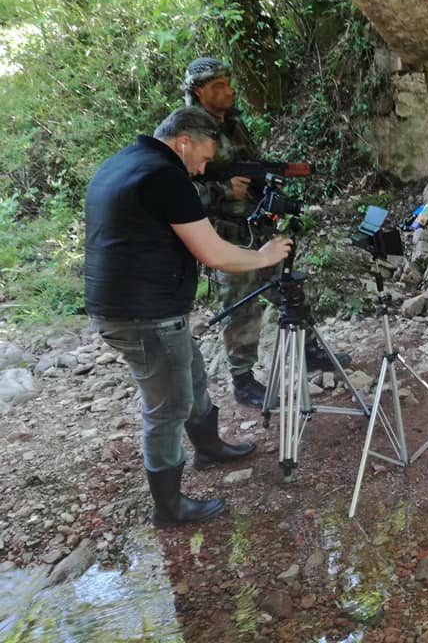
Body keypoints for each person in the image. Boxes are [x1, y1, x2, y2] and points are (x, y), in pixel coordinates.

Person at [84, 106, 293, 527]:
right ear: (183, 142)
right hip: (143, 314)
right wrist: (263, 255)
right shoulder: (166, 176)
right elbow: (214, 253)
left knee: (192, 372)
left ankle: (209, 447)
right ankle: (170, 507)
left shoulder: (124, 162)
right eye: (203, 156)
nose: (203, 168)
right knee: (167, 406)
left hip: (133, 305)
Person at [182, 57, 349, 408]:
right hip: (224, 234)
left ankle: (309, 350)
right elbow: (179, 191)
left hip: (256, 225)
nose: (228, 92)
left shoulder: (235, 124)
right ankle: (242, 380)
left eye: (228, 84)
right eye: (217, 87)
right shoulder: (187, 131)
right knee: (240, 306)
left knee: (288, 285)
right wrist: (224, 191)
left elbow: (252, 165)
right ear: (198, 92)